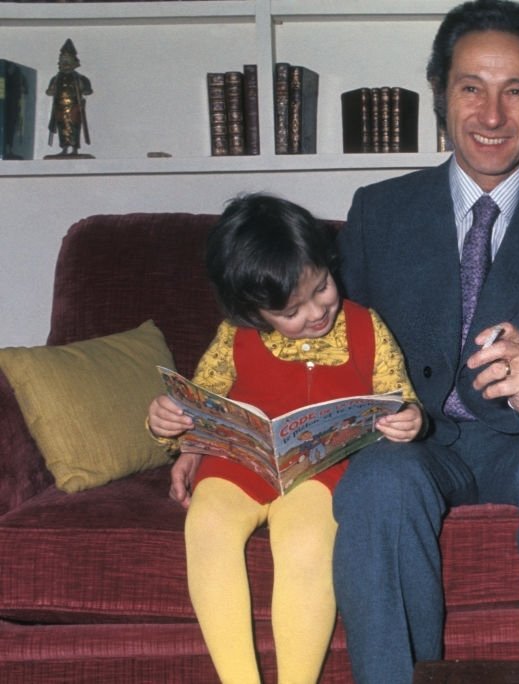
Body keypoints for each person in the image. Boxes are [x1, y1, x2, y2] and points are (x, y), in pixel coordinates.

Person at [328, 1, 519, 681]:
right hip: (413, 448)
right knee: (377, 478)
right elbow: (322, 353)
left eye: (515, 90)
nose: (492, 116)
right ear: (440, 94)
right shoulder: (379, 214)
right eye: (472, 88)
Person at [151, 193, 424, 683]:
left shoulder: (367, 326)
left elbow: (400, 397)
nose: (315, 312)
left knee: (307, 540)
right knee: (207, 525)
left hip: (321, 473)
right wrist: (174, 428)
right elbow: (199, 404)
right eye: (290, 311)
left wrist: (408, 421)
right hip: (240, 465)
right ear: (254, 314)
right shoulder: (233, 337)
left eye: (321, 288)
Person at [46, 38, 92, 156]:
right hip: (60, 106)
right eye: (63, 60)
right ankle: (64, 148)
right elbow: (50, 91)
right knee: (62, 126)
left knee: (74, 126)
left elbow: (87, 90)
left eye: (68, 60)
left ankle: (74, 148)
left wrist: (82, 88)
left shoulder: (79, 78)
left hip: (73, 106)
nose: (65, 63)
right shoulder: (56, 79)